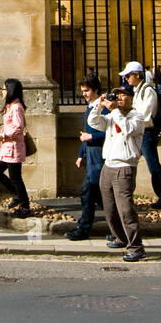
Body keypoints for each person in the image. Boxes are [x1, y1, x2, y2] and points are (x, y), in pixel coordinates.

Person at [88, 85, 147, 262]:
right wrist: (98, 105)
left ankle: (136, 247)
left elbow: (128, 129)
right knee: (110, 208)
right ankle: (120, 237)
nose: (119, 98)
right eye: (117, 95)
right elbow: (93, 122)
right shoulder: (112, 116)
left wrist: (114, 110)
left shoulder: (137, 117)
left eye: (124, 95)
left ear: (131, 98)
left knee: (126, 210)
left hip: (124, 167)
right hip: (108, 165)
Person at [120, 61, 161, 211]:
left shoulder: (147, 91)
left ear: (137, 75)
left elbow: (145, 115)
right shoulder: (137, 90)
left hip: (147, 133)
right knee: (129, 163)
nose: (126, 78)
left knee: (153, 166)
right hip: (140, 132)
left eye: (128, 75)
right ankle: (127, 196)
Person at [67, 73, 106, 241]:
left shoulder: (103, 108)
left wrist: (91, 138)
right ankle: (118, 224)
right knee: (97, 194)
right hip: (90, 155)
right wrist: (81, 154)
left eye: (87, 90)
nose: (84, 94)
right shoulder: (90, 107)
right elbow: (86, 132)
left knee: (88, 192)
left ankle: (83, 229)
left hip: (100, 154)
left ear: (96, 90)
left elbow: (109, 132)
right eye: (83, 90)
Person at [0, 78, 32, 219]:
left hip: (14, 149)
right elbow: (10, 125)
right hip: (6, 148)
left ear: (10, 90)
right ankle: (17, 195)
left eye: (3, 89)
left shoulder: (16, 107)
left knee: (16, 178)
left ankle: (25, 206)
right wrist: (0, 132)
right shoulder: (10, 106)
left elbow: (18, 128)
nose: (2, 92)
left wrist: (2, 135)